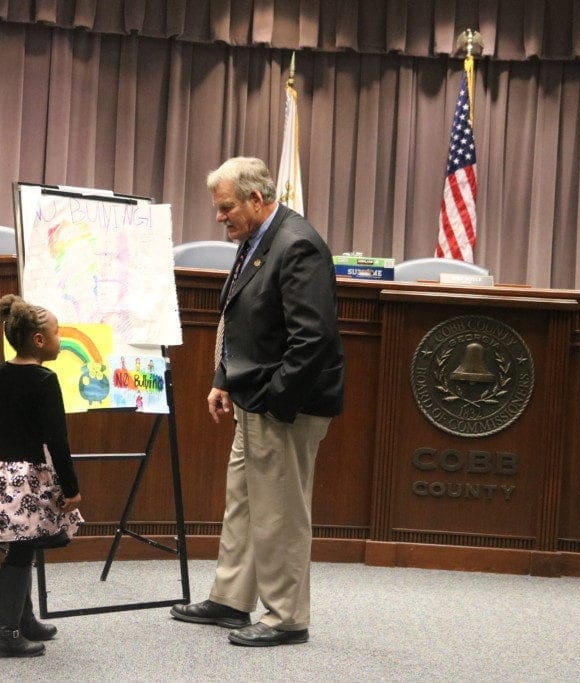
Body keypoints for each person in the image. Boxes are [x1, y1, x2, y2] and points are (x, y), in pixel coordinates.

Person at [170, 157, 344, 647]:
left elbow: (314, 340)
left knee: (281, 512)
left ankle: (286, 617)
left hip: (283, 406)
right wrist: (224, 378)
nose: (219, 217)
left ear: (255, 198)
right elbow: (241, 318)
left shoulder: (298, 244)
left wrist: (274, 402)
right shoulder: (257, 240)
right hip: (254, 396)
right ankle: (231, 599)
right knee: (245, 503)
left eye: (226, 207)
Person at [0, 294, 84, 658]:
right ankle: (4, 633)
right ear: (39, 340)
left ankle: (25, 618)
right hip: (27, 477)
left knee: (23, 544)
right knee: (20, 552)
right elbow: (58, 439)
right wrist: (72, 488)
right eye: (56, 333)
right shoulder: (45, 379)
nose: (60, 339)